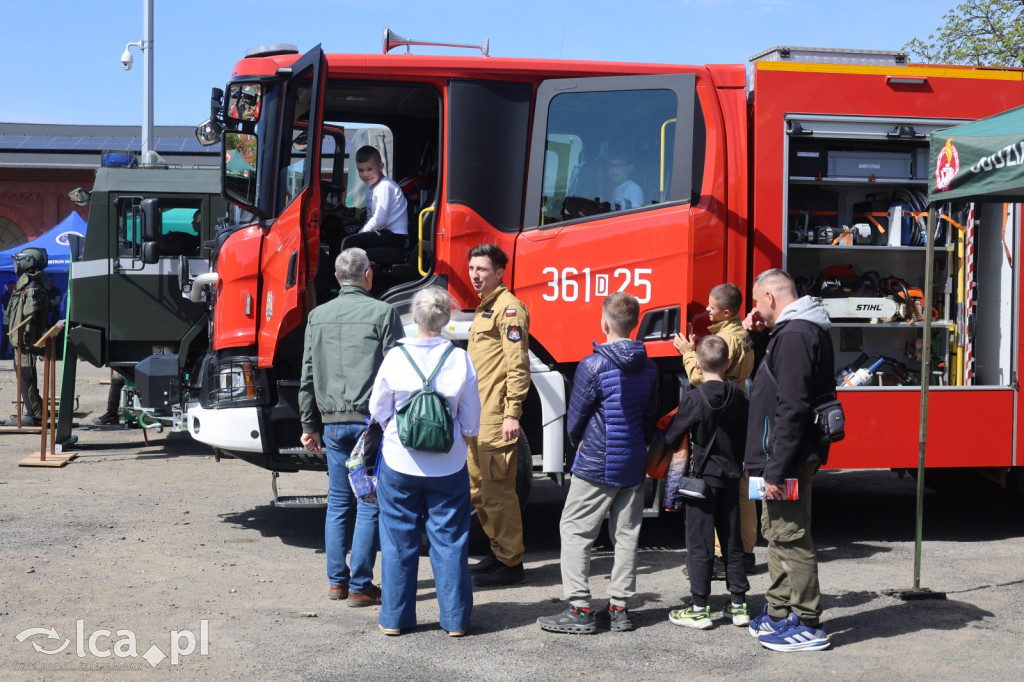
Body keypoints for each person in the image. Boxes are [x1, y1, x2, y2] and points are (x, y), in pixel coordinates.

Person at [536, 293, 656, 634]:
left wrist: (578, 446)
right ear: (635, 323)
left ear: (604, 323)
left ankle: (579, 609)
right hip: (633, 460)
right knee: (627, 534)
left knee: (576, 530)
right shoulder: (649, 366)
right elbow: (649, 418)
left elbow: (576, 419)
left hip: (597, 461)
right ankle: (619, 609)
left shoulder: (592, 365)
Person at [368, 286, 481, 637]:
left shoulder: (395, 358)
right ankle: (455, 620)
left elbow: (377, 409)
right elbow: (471, 421)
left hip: (400, 463)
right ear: (446, 319)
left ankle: (395, 619)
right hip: (449, 465)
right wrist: (457, 443)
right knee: (450, 540)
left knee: (397, 541)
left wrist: (397, 432)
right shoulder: (460, 359)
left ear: (414, 317)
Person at [299, 247, 404, 607]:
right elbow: (396, 374)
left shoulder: (317, 316)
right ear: (368, 274)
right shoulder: (384, 313)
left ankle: (336, 583)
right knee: (369, 502)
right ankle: (361, 585)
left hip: (331, 424)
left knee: (338, 503)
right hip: (370, 426)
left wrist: (309, 423)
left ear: (336, 277)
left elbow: (308, 374)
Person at [743, 268, 834, 652]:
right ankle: (780, 612)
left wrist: (777, 469)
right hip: (781, 456)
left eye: (756, 302)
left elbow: (792, 406)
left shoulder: (796, 334)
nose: (755, 310)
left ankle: (808, 624)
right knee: (778, 533)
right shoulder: (792, 331)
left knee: (792, 538)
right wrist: (756, 336)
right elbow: (777, 377)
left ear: (769, 297)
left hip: (787, 458)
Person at [664, 335, 750, 630]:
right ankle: (738, 606)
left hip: (701, 481)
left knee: (700, 543)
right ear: (729, 363)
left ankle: (699, 608)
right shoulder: (739, 396)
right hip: (731, 476)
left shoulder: (694, 398)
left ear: (697, 364)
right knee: (732, 541)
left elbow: (672, 435)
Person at [674, 283, 758, 575]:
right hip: (736, 407)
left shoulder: (725, 339)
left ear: (726, 311)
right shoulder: (741, 334)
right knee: (742, 489)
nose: (706, 309)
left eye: (712, 306)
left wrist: (688, 353)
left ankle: (721, 558)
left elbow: (703, 379)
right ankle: (745, 553)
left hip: (718, 413)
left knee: (717, 488)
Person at [466, 244, 531, 587]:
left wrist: (512, 413)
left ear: (499, 272)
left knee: (499, 492)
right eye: (472, 268)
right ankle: (498, 550)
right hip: (478, 415)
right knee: (480, 489)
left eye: (482, 269)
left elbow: (517, 364)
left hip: (495, 416)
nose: (475, 275)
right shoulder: (485, 308)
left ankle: (510, 562)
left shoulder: (509, 309)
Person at [4, 248, 49, 426]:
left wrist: (25, 336)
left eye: (18, 261)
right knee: (25, 376)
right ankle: (37, 410)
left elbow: (32, 315)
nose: (15, 265)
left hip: (24, 341)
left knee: (26, 377)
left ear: (27, 262)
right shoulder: (26, 284)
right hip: (19, 340)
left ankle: (34, 415)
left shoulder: (31, 287)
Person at [341, 146, 409, 252]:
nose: (365, 174)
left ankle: (348, 264)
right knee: (340, 236)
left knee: (349, 242)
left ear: (380, 166)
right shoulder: (370, 189)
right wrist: (362, 231)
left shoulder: (385, 186)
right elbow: (370, 216)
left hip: (395, 236)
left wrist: (362, 233)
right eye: (361, 170)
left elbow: (379, 219)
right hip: (384, 232)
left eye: (370, 169)